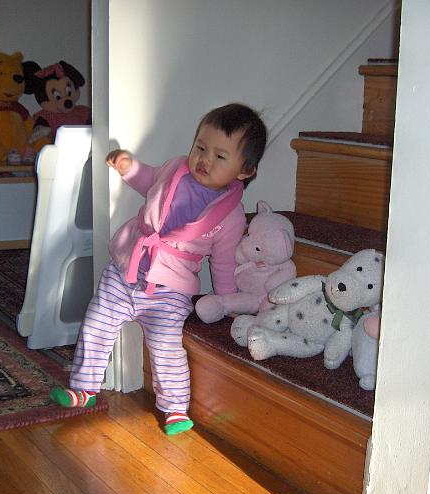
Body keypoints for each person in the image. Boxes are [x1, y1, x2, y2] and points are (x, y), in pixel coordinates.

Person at [49, 103, 267, 435]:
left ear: (245, 170)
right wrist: (128, 167)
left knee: (166, 348)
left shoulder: (231, 216)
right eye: (200, 148)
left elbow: (222, 261)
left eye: (220, 156)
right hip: (125, 270)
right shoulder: (175, 170)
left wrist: (226, 300)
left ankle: (175, 408)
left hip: (171, 289)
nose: (204, 160)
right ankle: (84, 388)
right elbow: (148, 179)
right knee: (96, 325)